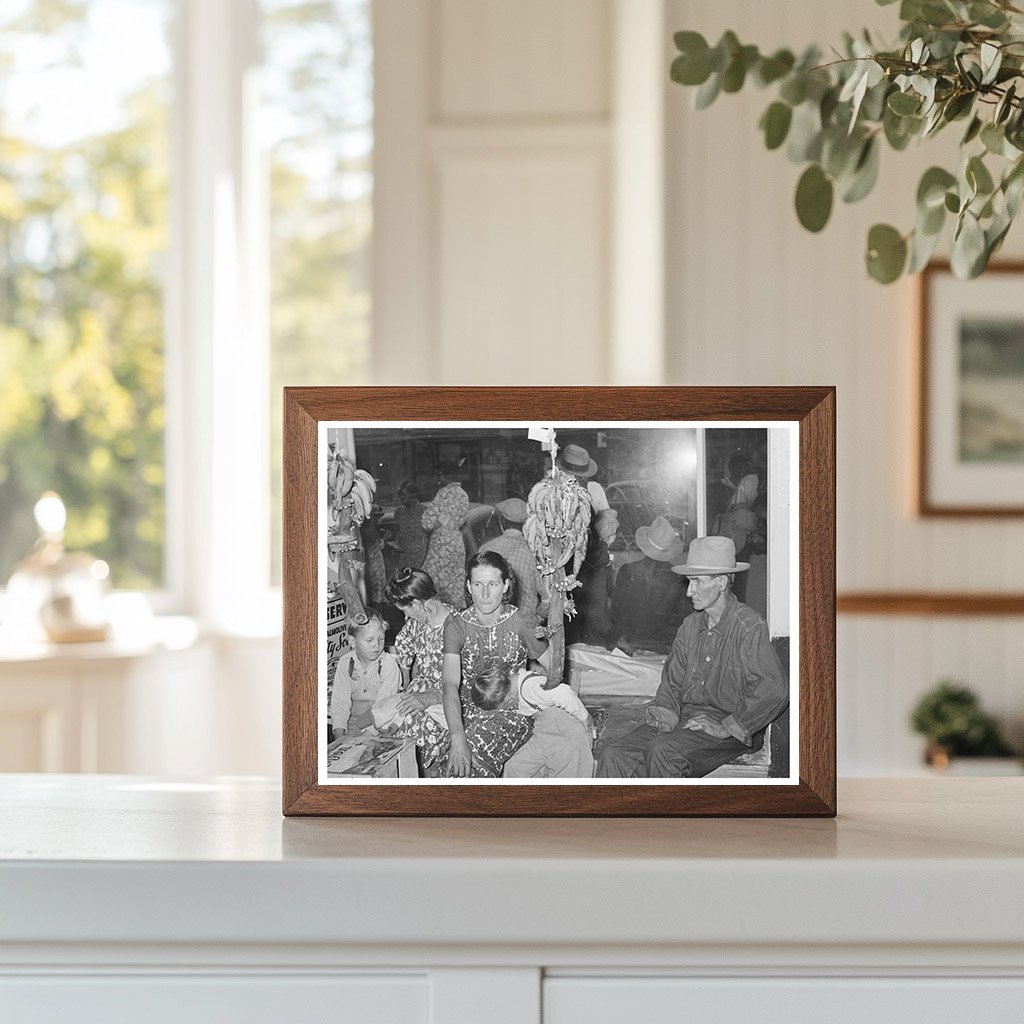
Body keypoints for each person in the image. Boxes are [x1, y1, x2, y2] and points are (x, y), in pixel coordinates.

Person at [596, 536, 788, 779]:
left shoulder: (748, 627)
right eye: (688, 582)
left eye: (697, 582)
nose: (689, 591)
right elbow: (672, 682)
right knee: (614, 752)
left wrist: (726, 726)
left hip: (730, 731)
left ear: (720, 583)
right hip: (687, 721)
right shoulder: (690, 626)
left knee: (662, 752)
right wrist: (665, 718)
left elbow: (775, 689)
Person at [442, 551, 549, 777]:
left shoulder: (522, 621)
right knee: (447, 752)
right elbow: (450, 684)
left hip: (512, 711)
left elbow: (554, 669)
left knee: (473, 756)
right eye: (478, 584)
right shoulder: (456, 625)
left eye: (492, 584)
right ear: (469, 587)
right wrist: (457, 736)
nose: (485, 594)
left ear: (506, 585)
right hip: (469, 710)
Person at [470, 662, 595, 779]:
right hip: (545, 735)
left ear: (508, 700)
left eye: (504, 707)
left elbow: (564, 692)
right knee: (514, 768)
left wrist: (585, 716)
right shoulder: (514, 682)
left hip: (566, 735)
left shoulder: (530, 688)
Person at [384, 567, 455, 767]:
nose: (406, 616)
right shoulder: (416, 624)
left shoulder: (458, 627)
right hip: (420, 694)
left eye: (406, 610)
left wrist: (429, 698)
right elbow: (403, 643)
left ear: (416, 603)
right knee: (385, 722)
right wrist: (406, 679)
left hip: (449, 700)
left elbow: (469, 684)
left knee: (413, 736)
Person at [610, 515, 692, 654]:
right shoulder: (679, 579)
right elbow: (683, 621)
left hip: (628, 646)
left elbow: (616, 613)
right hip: (663, 650)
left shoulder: (627, 571)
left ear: (645, 545)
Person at [330, 611, 403, 735]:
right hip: (354, 723)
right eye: (369, 640)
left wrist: (367, 737)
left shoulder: (389, 664)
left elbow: (383, 709)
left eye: (381, 639)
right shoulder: (345, 663)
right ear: (352, 641)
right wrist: (339, 736)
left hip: (382, 724)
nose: (377, 645)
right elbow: (340, 703)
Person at [478, 497, 548, 625]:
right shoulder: (533, 553)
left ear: (502, 521)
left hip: (492, 627)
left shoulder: (485, 549)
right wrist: (537, 617)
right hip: (524, 626)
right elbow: (548, 598)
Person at [421, 460, 470, 610]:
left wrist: (435, 522)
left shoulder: (443, 493)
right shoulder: (464, 495)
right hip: (456, 541)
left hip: (441, 542)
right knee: (455, 583)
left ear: (444, 475)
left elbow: (426, 522)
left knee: (434, 583)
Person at [566, 508, 617, 648]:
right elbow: (604, 595)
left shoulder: (585, 551)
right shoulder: (601, 557)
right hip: (593, 627)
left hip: (580, 623)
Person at [556, 443, 609, 512]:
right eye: (578, 476)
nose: (583, 478)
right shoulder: (555, 493)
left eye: (585, 476)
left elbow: (606, 515)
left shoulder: (596, 489)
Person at [392, 481, 428, 570]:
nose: (401, 497)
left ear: (413, 494)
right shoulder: (399, 512)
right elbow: (396, 533)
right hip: (403, 556)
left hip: (420, 557)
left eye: (404, 494)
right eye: (400, 495)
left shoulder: (425, 512)